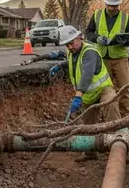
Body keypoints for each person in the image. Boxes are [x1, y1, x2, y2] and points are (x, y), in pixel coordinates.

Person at [48, 25, 121, 162]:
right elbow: (74, 62)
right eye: (66, 44)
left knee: (111, 110)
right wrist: (60, 66)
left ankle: (119, 149)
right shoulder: (72, 52)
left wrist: (78, 96)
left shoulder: (89, 52)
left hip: (103, 89)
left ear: (79, 38)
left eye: (71, 43)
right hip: (88, 94)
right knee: (88, 124)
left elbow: (87, 74)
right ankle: (90, 153)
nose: (69, 47)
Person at [85, 0, 129, 117]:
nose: (112, 8)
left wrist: (122, 41)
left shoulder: (125, 17)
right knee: (103, 89)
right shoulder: (97, 15)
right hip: (102, 59)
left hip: (120, 59)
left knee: (124, 89)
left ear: (119, 4)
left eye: (115, 6)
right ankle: (103, 115)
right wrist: (98, 38)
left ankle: (126, 117)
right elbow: (88, 33)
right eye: (109, 6)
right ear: (105, 3)